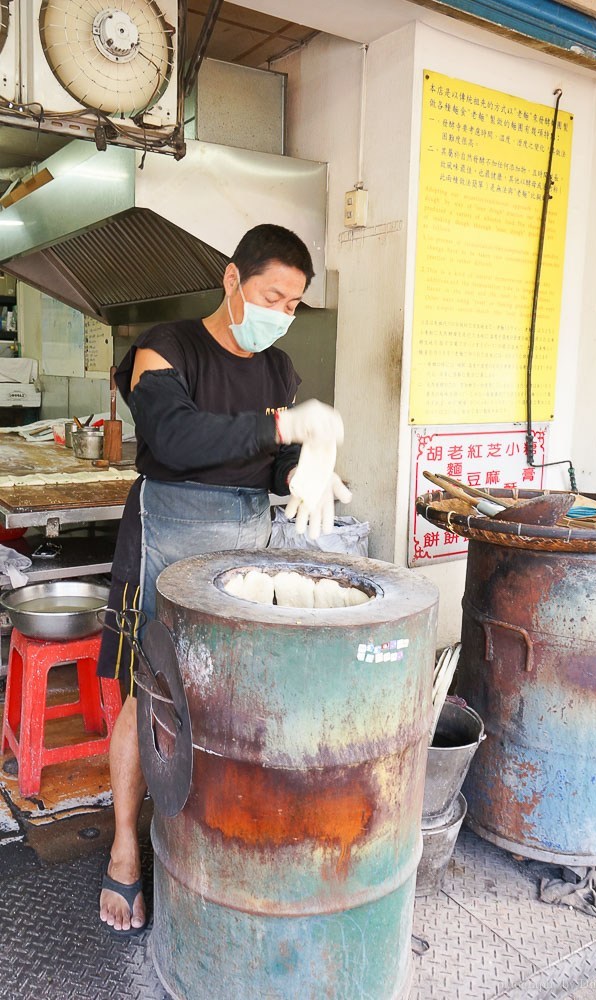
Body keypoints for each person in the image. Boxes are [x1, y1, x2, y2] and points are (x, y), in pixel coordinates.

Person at [97, 224, 348, 934]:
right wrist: (281, 429)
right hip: (168, 533)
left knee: (228, 702)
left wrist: (302, 468)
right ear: (233, 280)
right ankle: (123, 852)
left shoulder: (279, 369)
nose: (283, 313)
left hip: (246, 540)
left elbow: (266, 461)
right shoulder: (165, 347)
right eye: (274, 295)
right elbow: (176, 438)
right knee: (148, 696)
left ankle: (207, 845)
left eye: (296, 303)